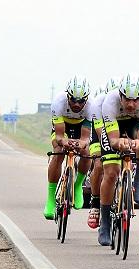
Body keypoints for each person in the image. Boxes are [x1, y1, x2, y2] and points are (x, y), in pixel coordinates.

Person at [98, 73, 139, 246]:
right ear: (120, 95)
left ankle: (138, 178)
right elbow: (112, 140)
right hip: (114, 127)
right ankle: (104, 222)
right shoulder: (109, 103)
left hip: (134, 124)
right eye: (127, 99)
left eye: (136, 100)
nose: (131, 104)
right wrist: (120, 142)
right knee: (111, 172)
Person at [43, 75, 93, 220]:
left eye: (81, 100)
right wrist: (63, 142)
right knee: (58, 152)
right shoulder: (58, 102)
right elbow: (59, 136)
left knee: (86, 152)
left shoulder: (92, 106)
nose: (77, 104)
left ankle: (78, 185)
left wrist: (81, 144)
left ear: (87, 99)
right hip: (63, 126)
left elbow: (85, 138)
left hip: (81, 126)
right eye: (73, 100)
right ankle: (51, 199)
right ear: (68, 96)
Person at [86, 77, 120, 229]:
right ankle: (95, 204)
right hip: (100, 131)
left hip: (119, 126)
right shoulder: (99, 104)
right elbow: (101, 134)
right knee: (100, 163)